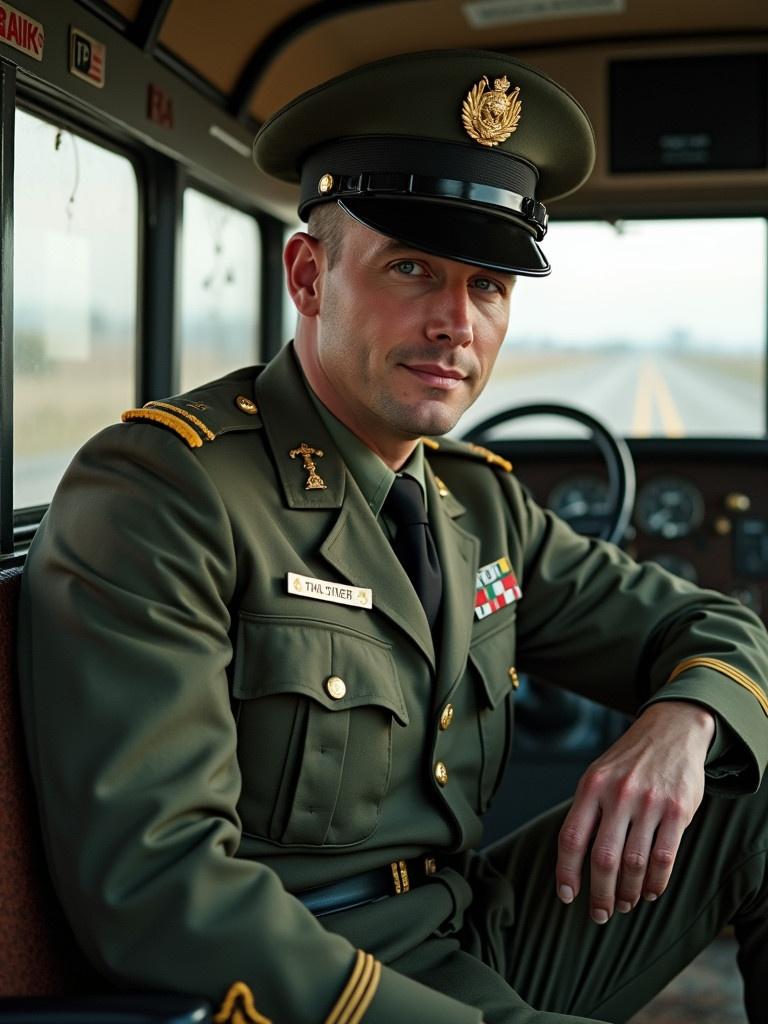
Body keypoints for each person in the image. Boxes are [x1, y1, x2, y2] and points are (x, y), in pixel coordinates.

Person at [19, 49, 768, 1024]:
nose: (456, 322)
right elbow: (162, 893)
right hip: (308, 973)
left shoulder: (479, 507)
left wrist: (684, 722)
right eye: (412, 268)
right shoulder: (168, 492)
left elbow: (708, 625)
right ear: (308, 275)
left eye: (489, 285)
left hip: (464, 927)